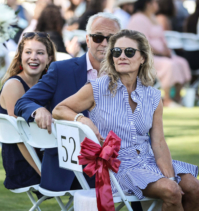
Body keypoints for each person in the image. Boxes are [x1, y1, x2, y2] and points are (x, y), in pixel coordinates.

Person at [52, 29, 199, 211]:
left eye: (129, 52)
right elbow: (59, 109)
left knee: (194, 188)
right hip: (117, 166)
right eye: (117, 52)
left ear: (143, 58)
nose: (122, 56)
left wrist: (169, 177)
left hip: (148, 160)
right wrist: (82, 119)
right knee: (172, 191)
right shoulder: (98, 88)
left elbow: (159, 143)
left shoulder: (153, 96)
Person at [15, 12, 121, 191]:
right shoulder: (61, 70)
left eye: (111, 38)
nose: (104, 43)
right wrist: (38, 110)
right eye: (97, 37)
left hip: (120, 160)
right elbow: (24, 102)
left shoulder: (127, 75)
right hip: (72, 165)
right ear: (87, 39)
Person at [0, 32, 56, 189]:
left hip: (45, 153)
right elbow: (19, 137)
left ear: (49, 58)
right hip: (25, 165)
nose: (34, 57)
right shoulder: (14, 85)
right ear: (20, 56)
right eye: (28, 52)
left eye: (40, 53)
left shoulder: (47, 85)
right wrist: (43, 173)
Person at [127, 0, 191, 107]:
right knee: (169, 65)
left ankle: (177, 97)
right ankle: (167, 99)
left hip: (161, 54)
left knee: (182, 62)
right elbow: (142, 43)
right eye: (154, 2)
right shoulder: (138, 19)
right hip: (145, 57)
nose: (157, 4)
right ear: (148, 4)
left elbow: (162, 37)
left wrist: (166, 50)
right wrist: (161, 52)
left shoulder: (153, 18)